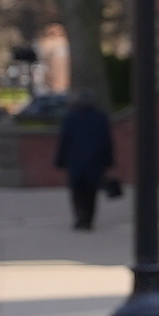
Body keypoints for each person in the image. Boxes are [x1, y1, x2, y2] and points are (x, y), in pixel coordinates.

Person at [53, 91, 114, 232]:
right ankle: (88, 219)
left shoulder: (70, 118)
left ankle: (79, 217)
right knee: (91, 192)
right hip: (95, 161)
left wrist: (60, 161)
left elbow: (64, 141)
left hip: (75, 161)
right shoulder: (100, 118)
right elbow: (107, 142)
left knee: (77, 191)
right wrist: (109, 161)